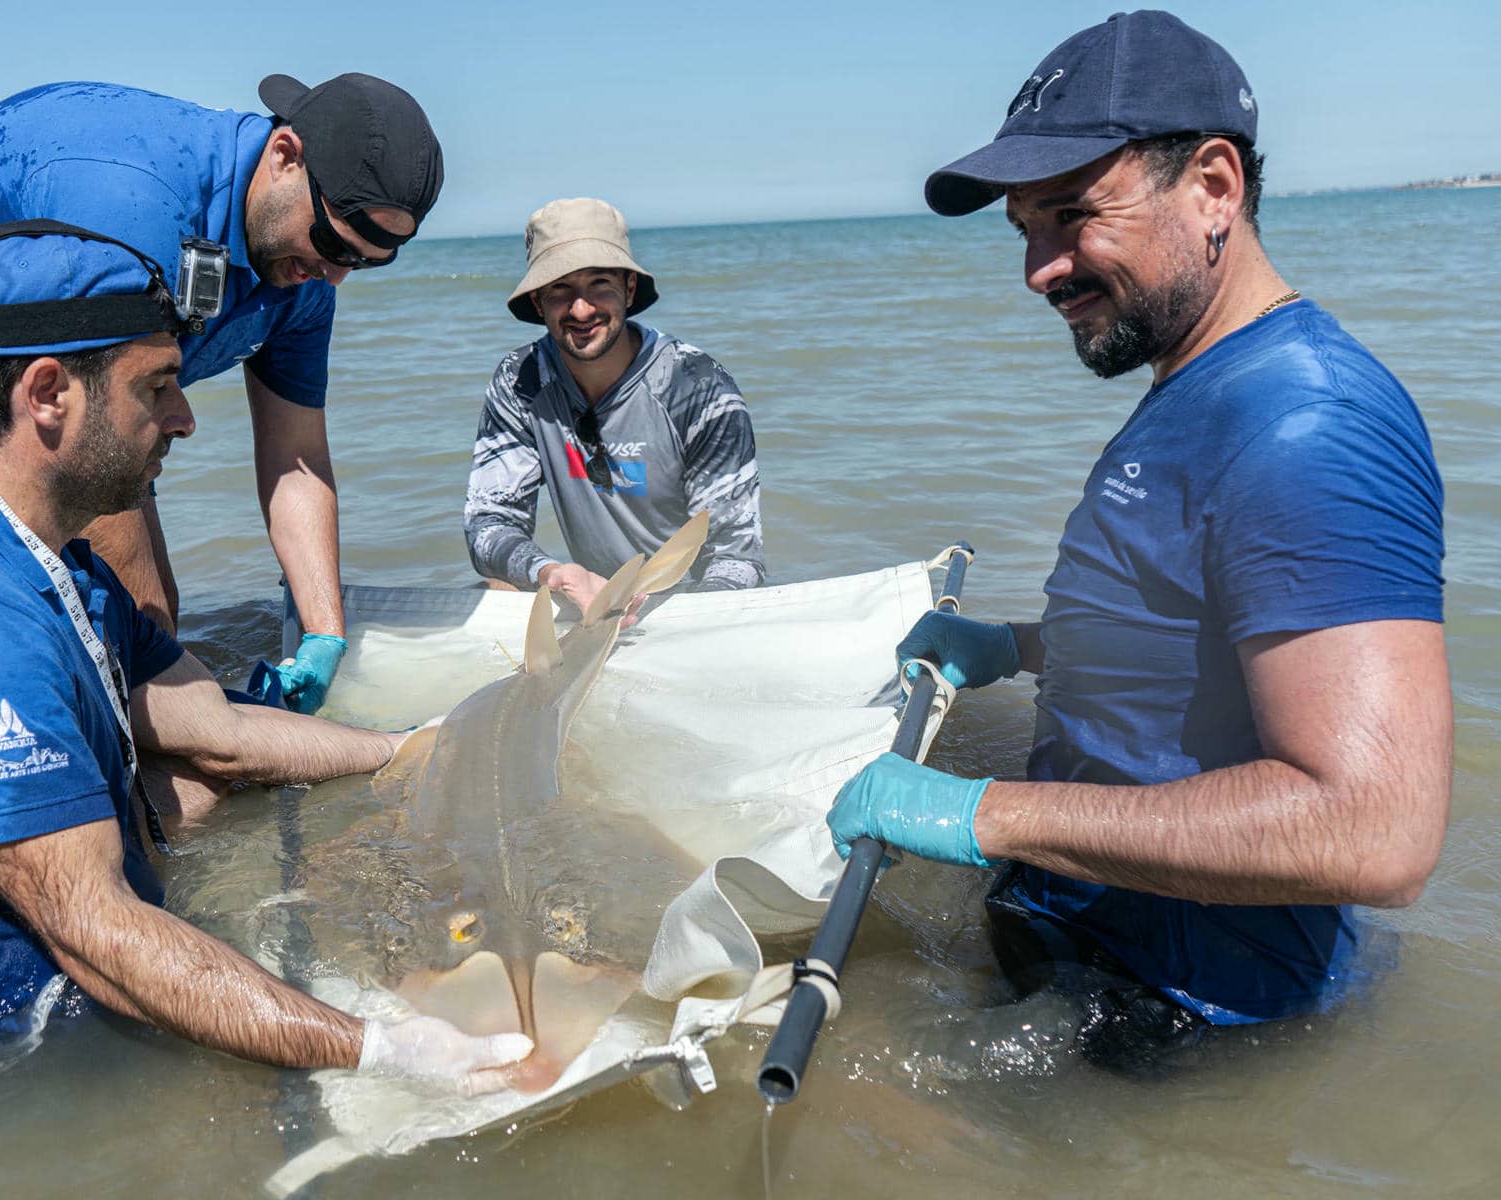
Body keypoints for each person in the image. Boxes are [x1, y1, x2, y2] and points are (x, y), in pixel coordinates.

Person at [827, 11, 1450, 1071]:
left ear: (1214, 187)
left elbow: (1371, 828)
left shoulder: (1309, 424)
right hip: (1086, 941)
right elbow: (1191, 622)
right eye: (1022, 227)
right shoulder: (1202, 377)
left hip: (1184, 1019)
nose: (1038, 268)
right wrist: (1020, 646)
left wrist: (984, 816)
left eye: (1073, 214)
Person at [0, 224, 531, 1094]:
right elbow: (99, 940)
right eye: (158, 387)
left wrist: (413, 745)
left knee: (210, 787)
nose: (183, 418)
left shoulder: (49, 557)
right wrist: (379, 1049)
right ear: (47, 394)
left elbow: (213, 730)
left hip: (65, 949)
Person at [0, 72, 444, 713]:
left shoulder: (303, 279)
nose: (333, 276)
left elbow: (297, 455)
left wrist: (324, 633)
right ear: (284, 156)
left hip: (92, 383)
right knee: (22, 628)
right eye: (331, 241)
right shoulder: (135, 209)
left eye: (363, 261)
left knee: (148, 630)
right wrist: (178, 695)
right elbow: (87, 440)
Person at [465, 198, 764, 611]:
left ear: (628, 288)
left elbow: (736, 557)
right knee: (486, 595)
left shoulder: (698, 388)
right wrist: (549, 572)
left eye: (599, 284)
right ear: (537, 303)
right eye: (560, 289)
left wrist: (693, 622)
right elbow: (488, 523)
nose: (581, 309)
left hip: (692, 609)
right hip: (586, 599)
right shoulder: (522, 381)